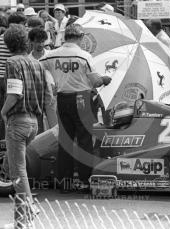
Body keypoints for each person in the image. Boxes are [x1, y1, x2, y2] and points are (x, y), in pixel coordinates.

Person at [40, 24, 112, 191]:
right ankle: (85, 181)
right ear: (80, 37)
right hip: (82, 99)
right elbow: (96, 81)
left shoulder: (52, 54)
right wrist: (105, 79)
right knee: (85, 141)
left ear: (66, 37)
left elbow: (37, 66)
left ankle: (64, 182)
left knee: (65, 141)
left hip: (62, 98)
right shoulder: (84, 55)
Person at [1, 24, 50, 224]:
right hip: (33, 122)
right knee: (11, 164)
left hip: (17, 120)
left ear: (8, 43)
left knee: (17, 170)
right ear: (25, 41)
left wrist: (3, 112)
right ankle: (22, 219)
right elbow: (47, 95)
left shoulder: (12, 62)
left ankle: (27, 210)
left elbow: (14, 94)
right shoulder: (37, 63)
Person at [0, 12, 27, 143]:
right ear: (17, 24)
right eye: (23, 24)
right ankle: (2, 138)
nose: (25, 26)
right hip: (14, 77)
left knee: (1, 108)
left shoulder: (0, 38)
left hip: (1, 77)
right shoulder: (19, 38)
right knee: (10, 109)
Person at [28, 27, 58, 129]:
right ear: (31, 42)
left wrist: (56, 85)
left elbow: (57, 72)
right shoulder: (27, 59)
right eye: (37, 42)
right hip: (34, 95)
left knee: (54, 125)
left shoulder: (51, 55)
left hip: (52, 92)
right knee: (37, 126)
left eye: (42, 42)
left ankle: (56, 144)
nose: (40, 44)